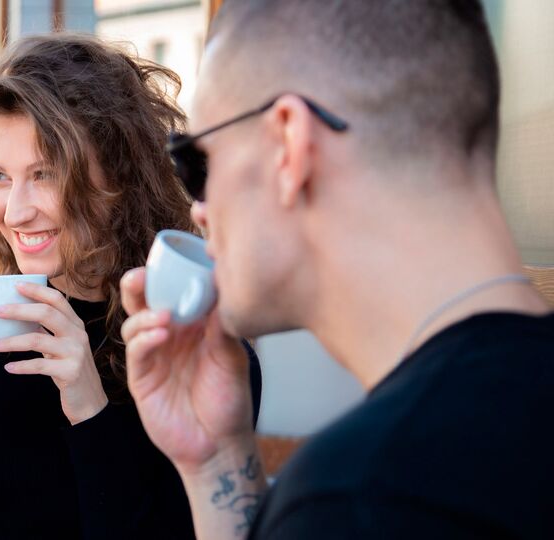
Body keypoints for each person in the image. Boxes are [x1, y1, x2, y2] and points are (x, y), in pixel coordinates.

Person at [120, 0, 554, 538]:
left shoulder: (361, 497)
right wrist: (215, 464)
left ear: (288, 145)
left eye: (197, 161)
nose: (197, 210)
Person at [0, 34, 263, 539]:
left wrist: (89, 409)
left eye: (45, 174)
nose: (14, 212)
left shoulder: (192, 350)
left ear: (122, 178)